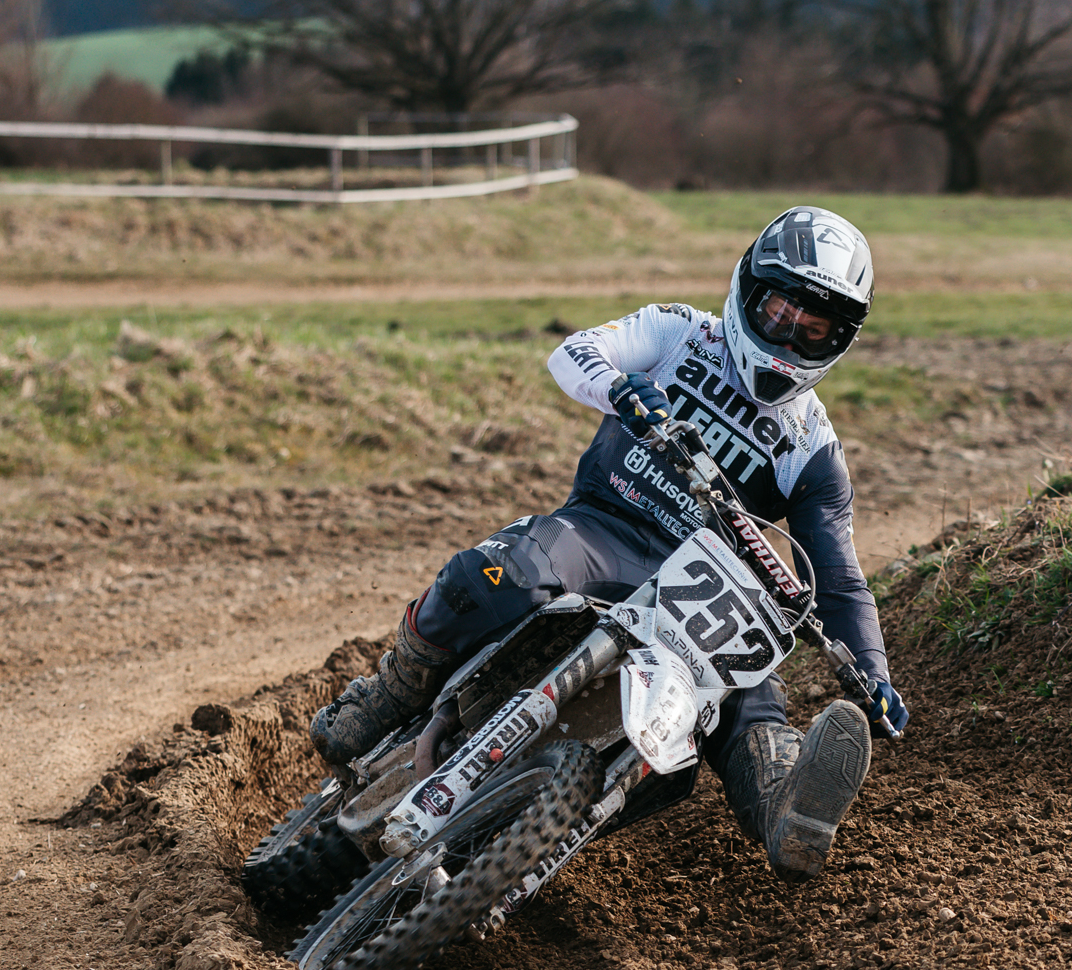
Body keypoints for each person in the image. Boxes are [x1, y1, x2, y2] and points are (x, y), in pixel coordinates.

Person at [311, 206, 909, 882]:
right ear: (748, 288)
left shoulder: (812, 448)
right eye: (778, 311)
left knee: (751, 698)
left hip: (707, 597)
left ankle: (787, 809)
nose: (788, 335)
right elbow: (573, 352)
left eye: (813, 327)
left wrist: (872, 674)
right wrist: (621, 390)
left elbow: (839, 577)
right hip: (604, 531)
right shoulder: (682, 333)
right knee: (496, 573)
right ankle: (390, 692)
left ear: (841, 338)